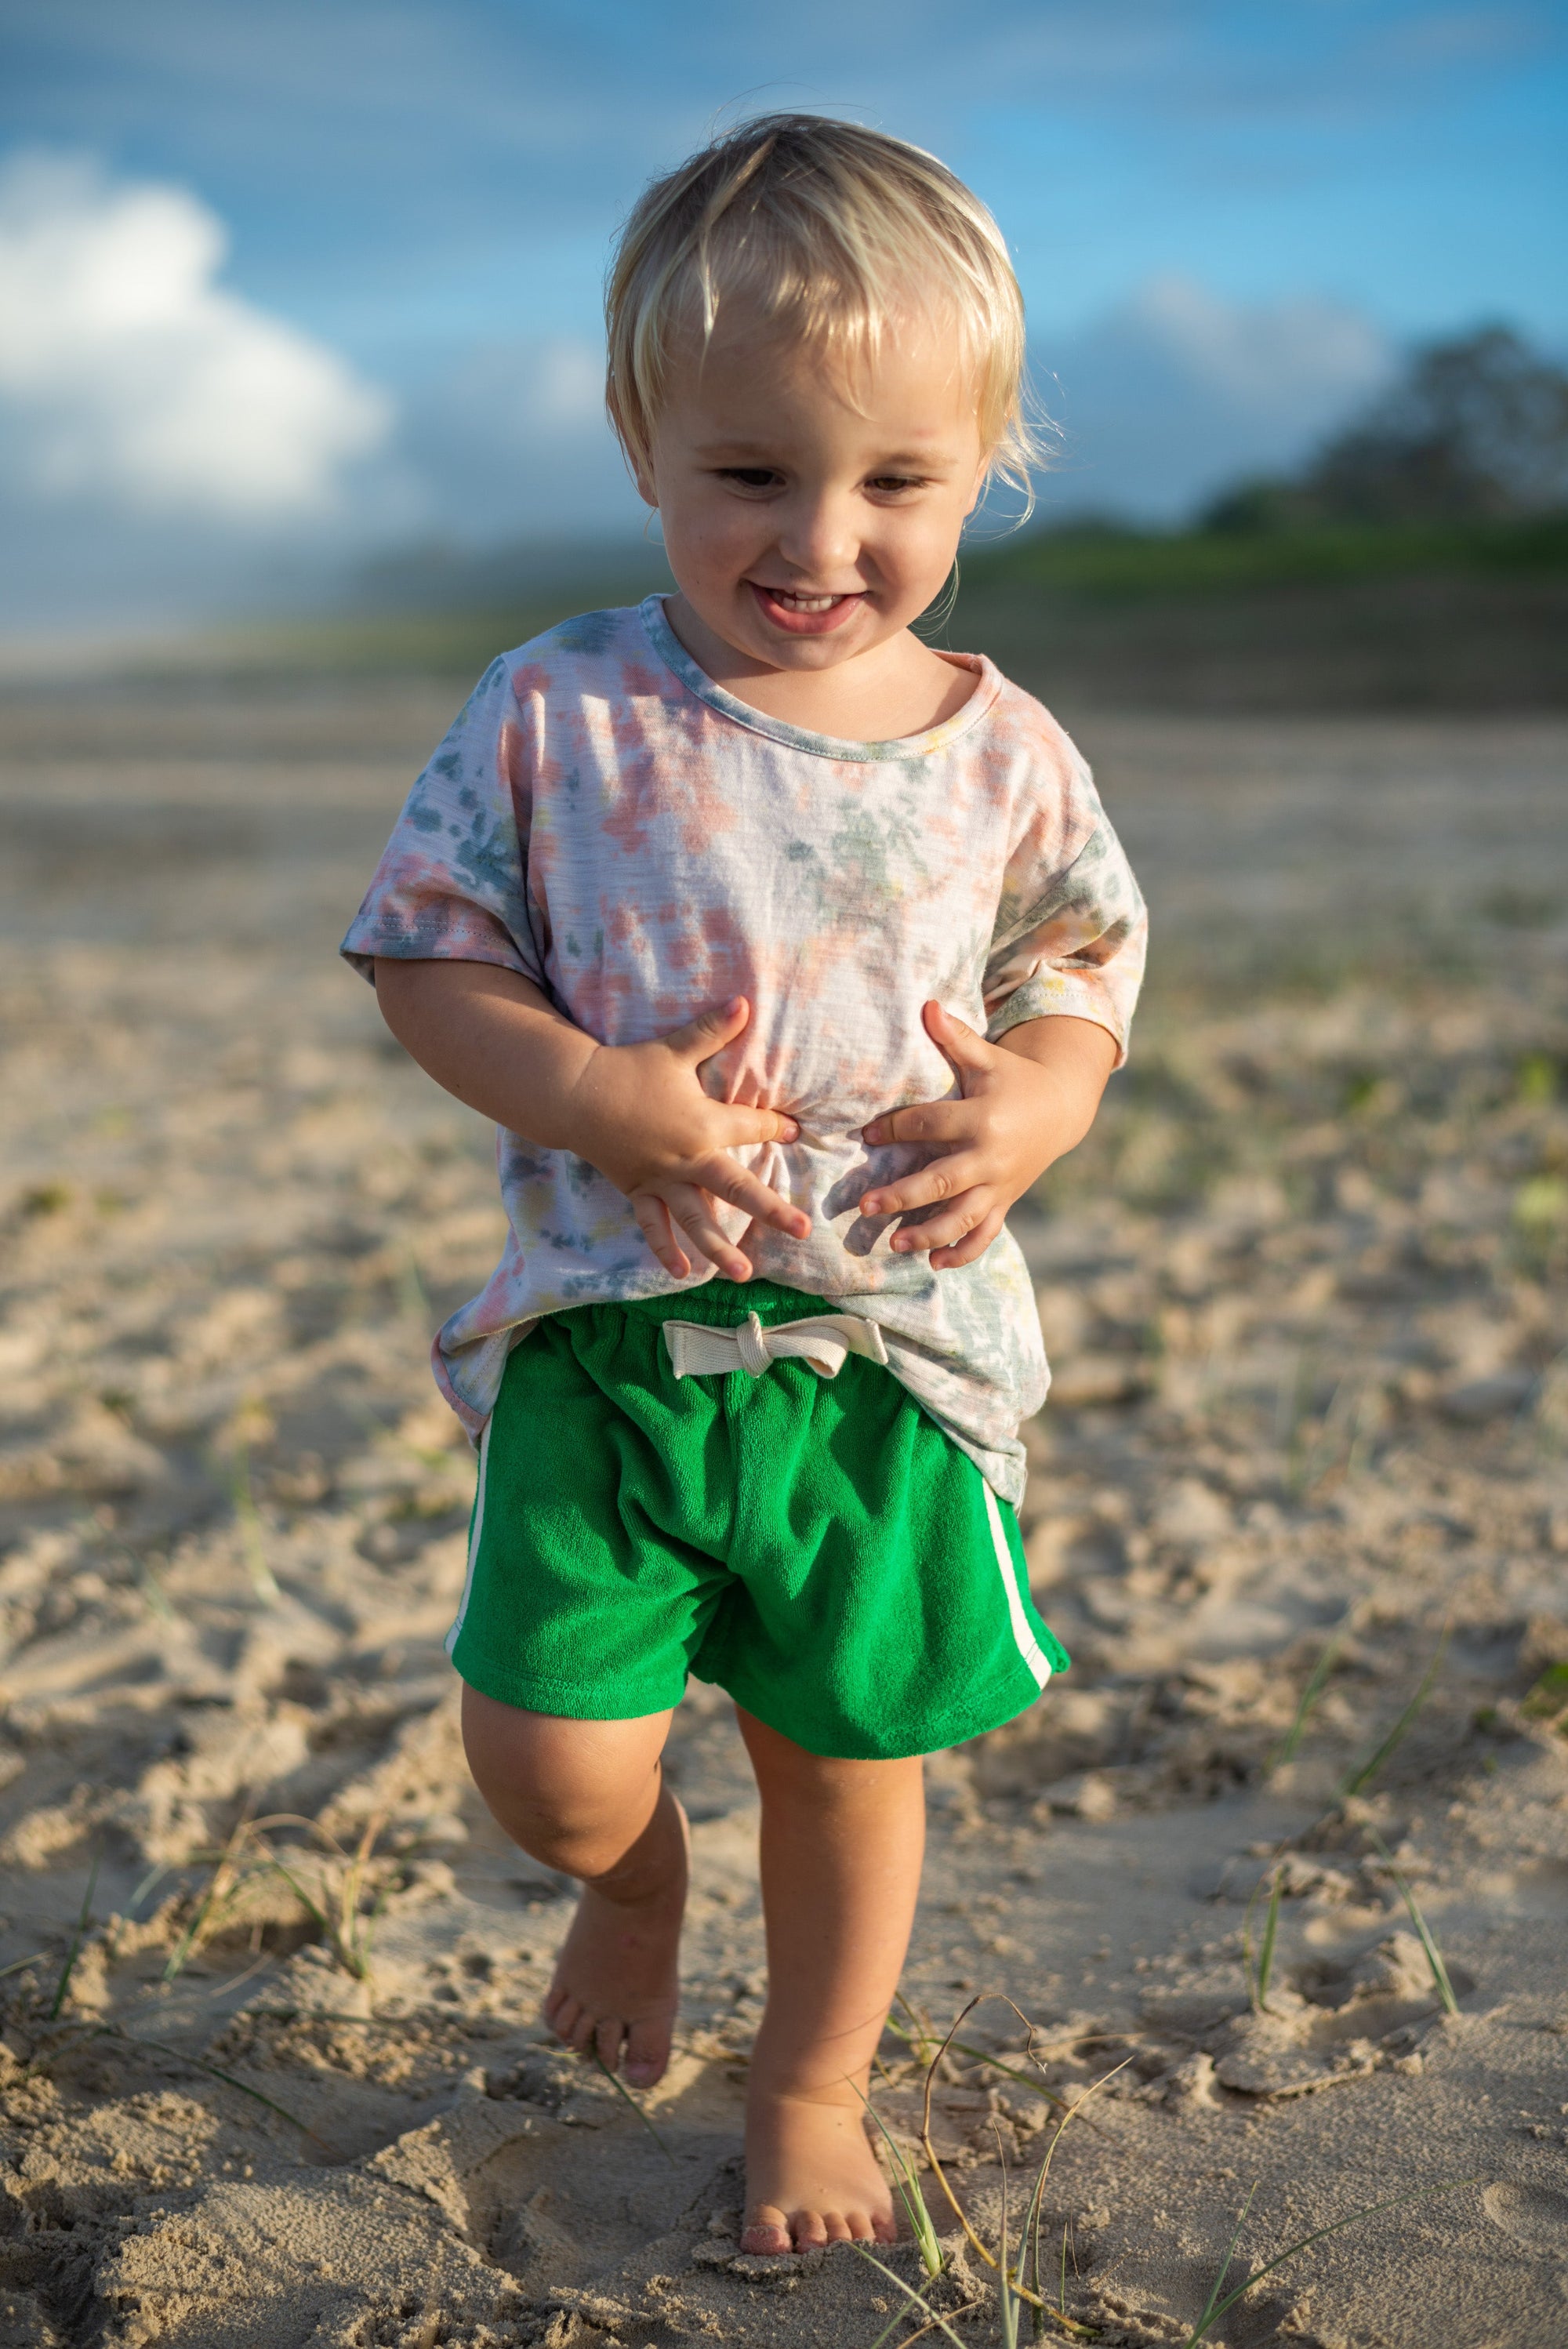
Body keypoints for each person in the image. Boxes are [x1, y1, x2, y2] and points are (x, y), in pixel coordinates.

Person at [342, 113, 1146, 2257]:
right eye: (752, 474)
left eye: (896, 480)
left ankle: (808, 2085)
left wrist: (1043, 1105)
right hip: (609, 1337)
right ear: (643, 444)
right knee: (545, 1750)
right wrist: (596, 1089)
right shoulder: (557, 709)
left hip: (881, 1349)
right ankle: (628, 1875)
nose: (822, 535)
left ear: (983, 466)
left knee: (842, 1756)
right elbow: (431, 949)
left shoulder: (1002, 744)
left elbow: (1078, 962)